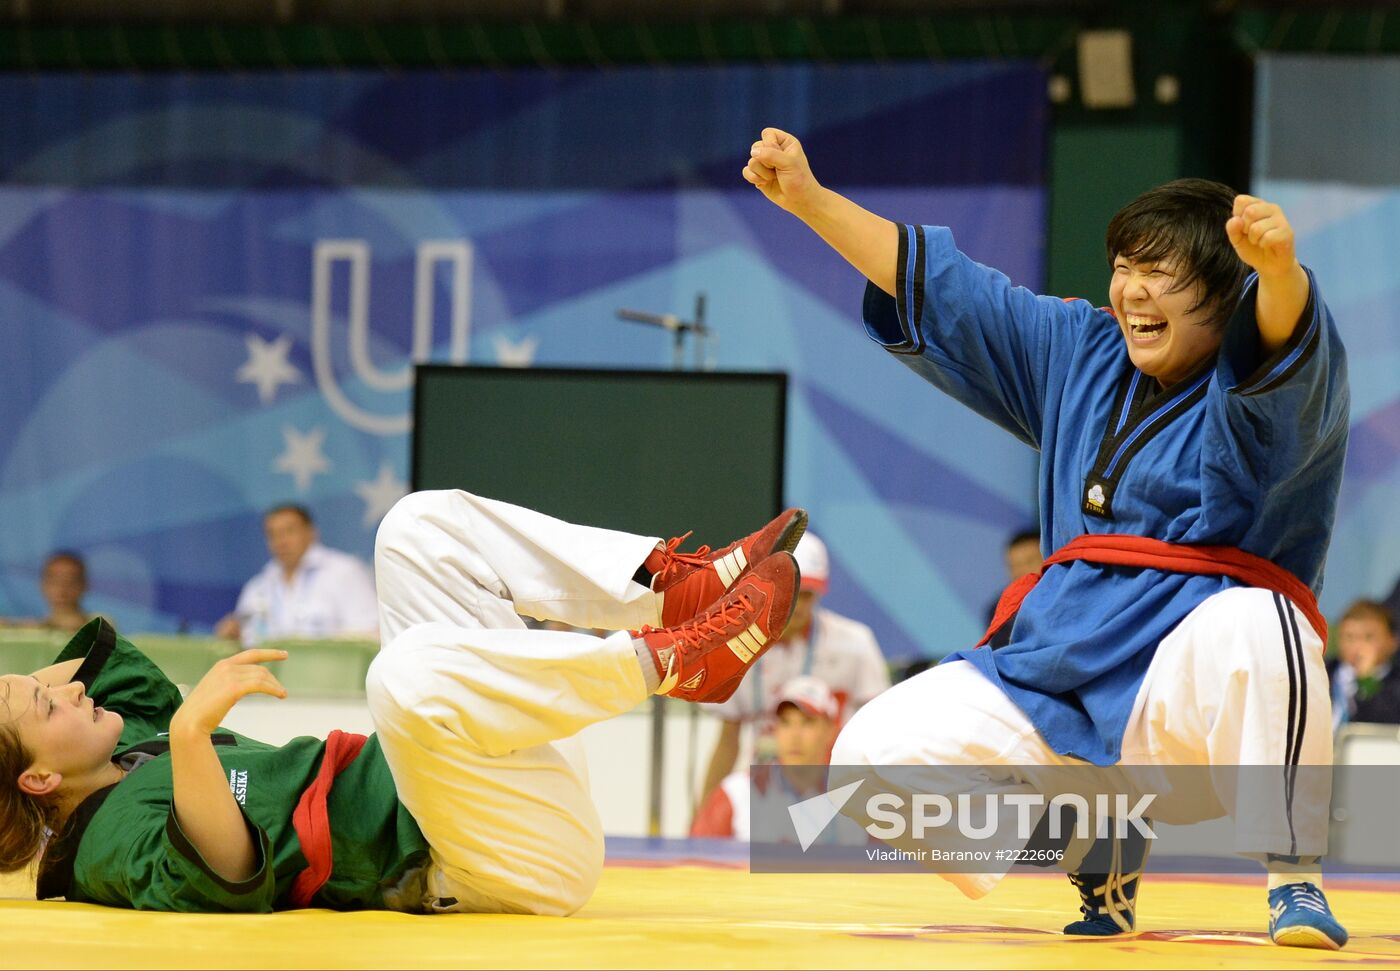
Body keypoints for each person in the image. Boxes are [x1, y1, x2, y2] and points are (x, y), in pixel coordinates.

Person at [745, 128, 1350, 948]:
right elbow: (946, 287)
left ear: (1227, 294)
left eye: (1160, 273)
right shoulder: (1080, 347)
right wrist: (808, 200)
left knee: (1266, 620)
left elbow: (1284, 336)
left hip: (1186, 705)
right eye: (1125, 266)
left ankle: (1294, 878)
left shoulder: (1260, 383)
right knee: (871, 760)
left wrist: (1279, 272)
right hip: (1054, 673)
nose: (1133, 291)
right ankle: (1088, 837)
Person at [0, 490, 805, 914]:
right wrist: (188, 730)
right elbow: (227, 872)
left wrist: (37, 704)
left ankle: (666, 594)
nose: (68, 684)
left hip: (484, 777)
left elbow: (83, 662)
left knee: (414, 527)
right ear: (37, 781)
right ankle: (666, 665)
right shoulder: (96, 850)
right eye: (47, 704)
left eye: (49, 679)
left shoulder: (118, 739)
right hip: (488, 865)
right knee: (399, 675)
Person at [697, 532, 889, 806]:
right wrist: (701, 823)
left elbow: (879, 734)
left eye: (806, 595)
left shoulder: (855, 644)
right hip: (764, 794)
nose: (795, 605)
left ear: (821, 592)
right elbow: (727, 742)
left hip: (836, 795)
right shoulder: (736, 646)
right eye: (788, 592)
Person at [691, 675, 864, 846]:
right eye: (785, 722)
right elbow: (694, 862)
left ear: (830, 730)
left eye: (807, 722)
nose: (794, 736)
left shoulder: (859, 797)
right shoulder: (736, 793)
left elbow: (883, 861)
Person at [215, 504, 379, 646]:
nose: (281, 541)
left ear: (311, 533)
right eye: (273, 534)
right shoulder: (258, 586)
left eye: (289, 531)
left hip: (330, 676)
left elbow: (371, 633)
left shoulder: (344, 572)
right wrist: (234, 636)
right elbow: (248, 642)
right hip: (270, 677)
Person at [1328, 599, 1400, 728]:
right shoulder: (1323, 672)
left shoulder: (1396, 685)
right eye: (1350, 637)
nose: (1358, 646)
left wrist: (1366, 679)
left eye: (1368, 637)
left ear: (1393, 641)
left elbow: (1385, 724)